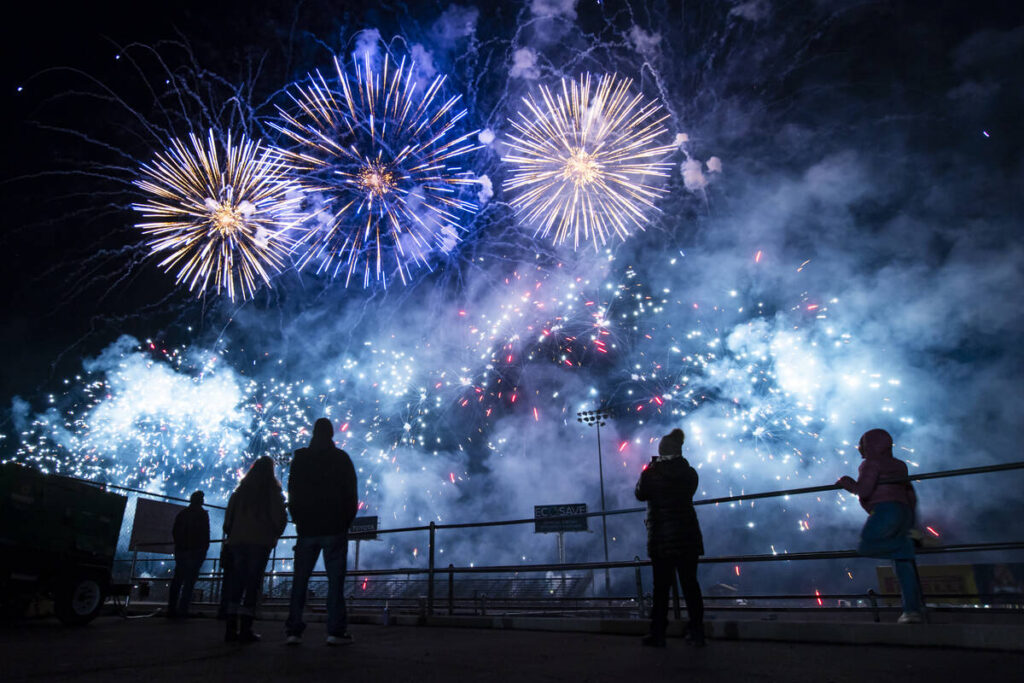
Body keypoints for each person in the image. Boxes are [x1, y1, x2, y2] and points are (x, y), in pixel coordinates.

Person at [836, 428, 925, 623]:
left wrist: (846, 482)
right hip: (904, 512)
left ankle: (903, 545)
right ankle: (912, 611)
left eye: (862, 445)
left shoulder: (870, 464)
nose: (860, 450)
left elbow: (865, 491)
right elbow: (910, 493)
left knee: (867, 545)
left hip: (885, 511)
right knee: (904, 565)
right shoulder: (900, 465)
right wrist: (912, 522)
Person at [285, 418, 359, 646]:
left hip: (307, 529)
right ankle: (335, 631)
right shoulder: (341, 458)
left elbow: (292, 493)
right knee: (335, 582)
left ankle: (293, 631)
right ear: (331, 434)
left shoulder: (301, 459)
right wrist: (345, 522)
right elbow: (351, 494)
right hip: (334, 528)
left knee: (300, 581)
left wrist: (298, 520)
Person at [635, 428, 705, 647]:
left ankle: (658, 633)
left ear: (661, 450)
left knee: (661, 589)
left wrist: (650, 468)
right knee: (691, 586)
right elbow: (690, 491)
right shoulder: (689, 472)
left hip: (662, 539)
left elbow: (639, 493)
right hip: (687, 537)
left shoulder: (651, 473)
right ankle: (697, 632)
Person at [223, 456, 287, 643]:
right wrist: (275, 534)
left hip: (238, 542)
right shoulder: (273, 493)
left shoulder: (239, 492)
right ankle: (246, 628)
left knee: (236, 584)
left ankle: (230, 628)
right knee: (252, 585)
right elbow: (280, 519)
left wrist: (234, 533)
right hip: (260, 542)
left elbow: (228, 522)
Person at [167, 490, 210, 618]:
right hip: (196, 551)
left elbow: (175, 531)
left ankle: (172, 608)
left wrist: (179, 546)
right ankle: (183, 609)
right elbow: (205, 534)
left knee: (178, 580)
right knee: (189, 582)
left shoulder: (183, 513)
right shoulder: (202, 514)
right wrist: (203, 549)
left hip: (182, 550)